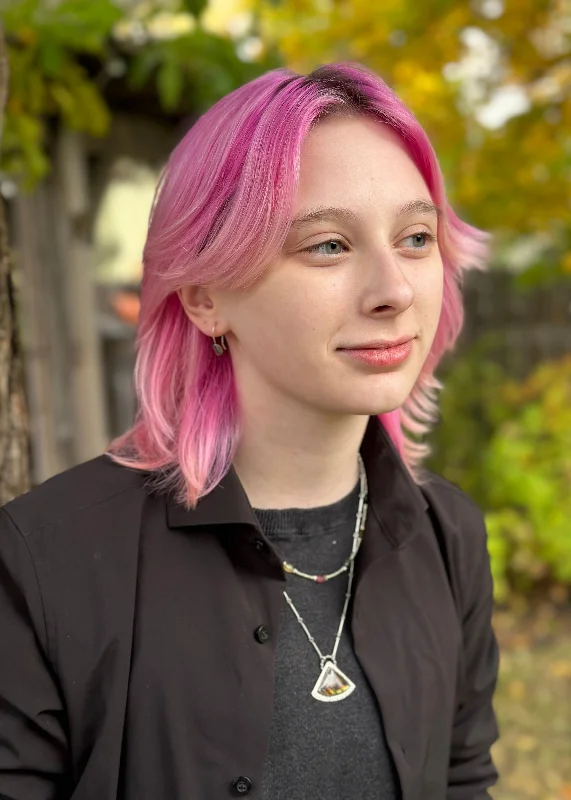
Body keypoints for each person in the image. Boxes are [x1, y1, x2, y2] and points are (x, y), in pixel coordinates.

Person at [0, 63, 499, 800]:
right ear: (204, 297)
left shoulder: (447, 534)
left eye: (416, 237)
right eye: (328, 245)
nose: (393, 290)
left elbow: (462, 780)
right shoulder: (45, 560)